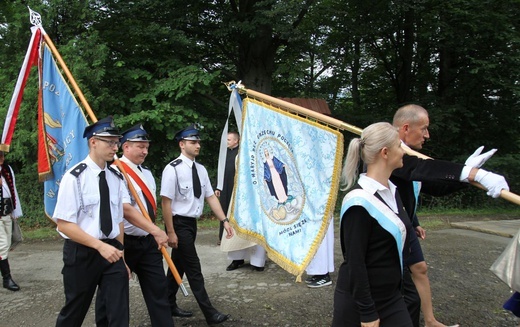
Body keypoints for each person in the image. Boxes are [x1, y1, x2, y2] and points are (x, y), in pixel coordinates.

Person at [391, 104, 509, 327]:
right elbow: (417, 169)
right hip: (387, 232)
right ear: (406, 128)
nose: (428, 135)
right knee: (403, 294)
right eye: (424, 129)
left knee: (420, 270)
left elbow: (435, 186)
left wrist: (469, 178)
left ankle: (430, 321)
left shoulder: (410, 157)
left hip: (406, 225)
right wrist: (470, 172)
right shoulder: (388, 151)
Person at [332, 122, 414, 327]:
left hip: (391, 297)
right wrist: (367, 312)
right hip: (360, 303)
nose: (403, 150)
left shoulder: (393, 192)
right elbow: (355, 261)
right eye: (399, 145)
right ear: (385, 152)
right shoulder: (359, 202)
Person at [53, 116, 129, 326]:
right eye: (110, 142)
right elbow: (64, 224)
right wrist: (99, 246)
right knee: (74, 311)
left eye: (116, 142)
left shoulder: (116, 178)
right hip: (83, 252)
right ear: (93, 142)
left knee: (118, 312)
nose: (115, 147)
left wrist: (121, 254)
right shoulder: (75, 177)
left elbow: (118, 219)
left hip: (113, 251)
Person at [98, 124, 175, 326]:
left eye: (147, 146)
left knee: (158, 289)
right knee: (113, 291)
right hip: (123, 242)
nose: (145, 151)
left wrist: (153, 233)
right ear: (125, 147)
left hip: (148, 241)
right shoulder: (115, 171)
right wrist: (157, 231)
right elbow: (126, 209)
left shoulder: (147, 173)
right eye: (140, 146)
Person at [161, 124, 234, 325]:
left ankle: (167, 303)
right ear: (182, 144)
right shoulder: (172, 169)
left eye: (198, 142)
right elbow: (166, 202)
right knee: (194, 268)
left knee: (178, 264)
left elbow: (210, 197)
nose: (198, 145)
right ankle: (209, 313)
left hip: (191, 225)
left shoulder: (200, 170)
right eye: (193, 142)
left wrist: (225, 221)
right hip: (179, 224)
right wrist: (170, 231)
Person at [0, 150, 23, 291]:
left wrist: (15, 211)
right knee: (2, 246)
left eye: (2, 155)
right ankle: (7, 279)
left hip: (7, 212)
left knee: (6, 244)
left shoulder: (7, 170)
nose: (1, 158)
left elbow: (12, 189)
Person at [215, 131, 239, 245]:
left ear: (236, 141)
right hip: (224, 187)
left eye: (229, 140)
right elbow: (220, 170)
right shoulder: (224, 153)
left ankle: (234, 237)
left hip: (235, 188)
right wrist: (218, 187)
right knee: (223, 211)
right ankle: (222, 237)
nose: (226, 142)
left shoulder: (241, 153)